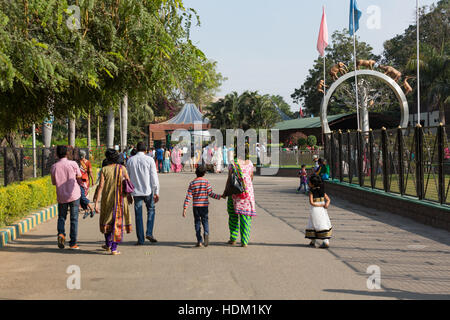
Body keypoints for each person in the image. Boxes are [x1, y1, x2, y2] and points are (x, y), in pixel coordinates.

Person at [94, 149, 133, 255]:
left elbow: (101, 186)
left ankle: (109, 244)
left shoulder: (104, 169)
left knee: (107, 221)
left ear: (107, 158)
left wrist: (96, 202)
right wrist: (129, 196)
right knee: (117, 221)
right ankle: (114, 249)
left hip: (107, 199)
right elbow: (128, 183)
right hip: (120, 199)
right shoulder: (122, 168)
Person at [126, 142, 160, 245]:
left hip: (136, 192)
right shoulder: (149, 160)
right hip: (148, 190)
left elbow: (127, 178)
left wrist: (128, 193)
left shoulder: (130, 161)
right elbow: (154, 177)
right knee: (151, 210)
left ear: (136, 149)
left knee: (138, 215)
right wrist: (156, 191)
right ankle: (149, 232)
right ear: (145, 150)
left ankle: (140, 239)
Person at [222, 147, 256, 247]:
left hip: (234, 193)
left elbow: (229, 179)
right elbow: (251, 177)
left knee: (233, 216)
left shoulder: (233, 163)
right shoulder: (250, 163)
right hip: (247, 193)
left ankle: (233, 239)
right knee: (245, 217)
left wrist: (225, 192)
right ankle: (244, 242)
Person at [51, 146, 82, 250]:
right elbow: (79, 176)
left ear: (56, 154)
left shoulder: (54, 166)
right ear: (67, 153)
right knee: (74, 219)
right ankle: (73, 243)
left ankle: (61, 233)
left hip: (61, 196)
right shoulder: (73, 164)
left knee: (61, 217)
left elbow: (54, 182)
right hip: (74, 195)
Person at [182, 166, 222, 247]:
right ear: (204, 173)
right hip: (204, 206)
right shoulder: (206, 182)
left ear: (196, 172)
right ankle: (206, 233)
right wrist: (219, 196)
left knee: (197, 223)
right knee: (205, 221)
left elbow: (188, 196)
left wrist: (185, 208)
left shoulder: (192, 183)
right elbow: (210, 193)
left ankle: (199, 241)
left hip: (196, 206)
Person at [305, 175, 332, 249]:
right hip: (323, 210)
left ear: (313, 183)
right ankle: (318, 241)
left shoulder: (311, 191)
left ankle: (323, 241)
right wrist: (326, 204)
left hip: (315, 209)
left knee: (314, 223)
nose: (308, 183)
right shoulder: (322, 191)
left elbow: (311, 202)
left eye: (309, 182)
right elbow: (328, 199)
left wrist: (319, 205)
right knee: (322, 222)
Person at [79, 150, 95, 219]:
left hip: (85, 182)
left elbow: (90, 172)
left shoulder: (87, 162)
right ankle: (86, 210)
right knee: (80, 197)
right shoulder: (78, 162)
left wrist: (92, 180)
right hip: (78, 181)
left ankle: (91, 208)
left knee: (82, 196)